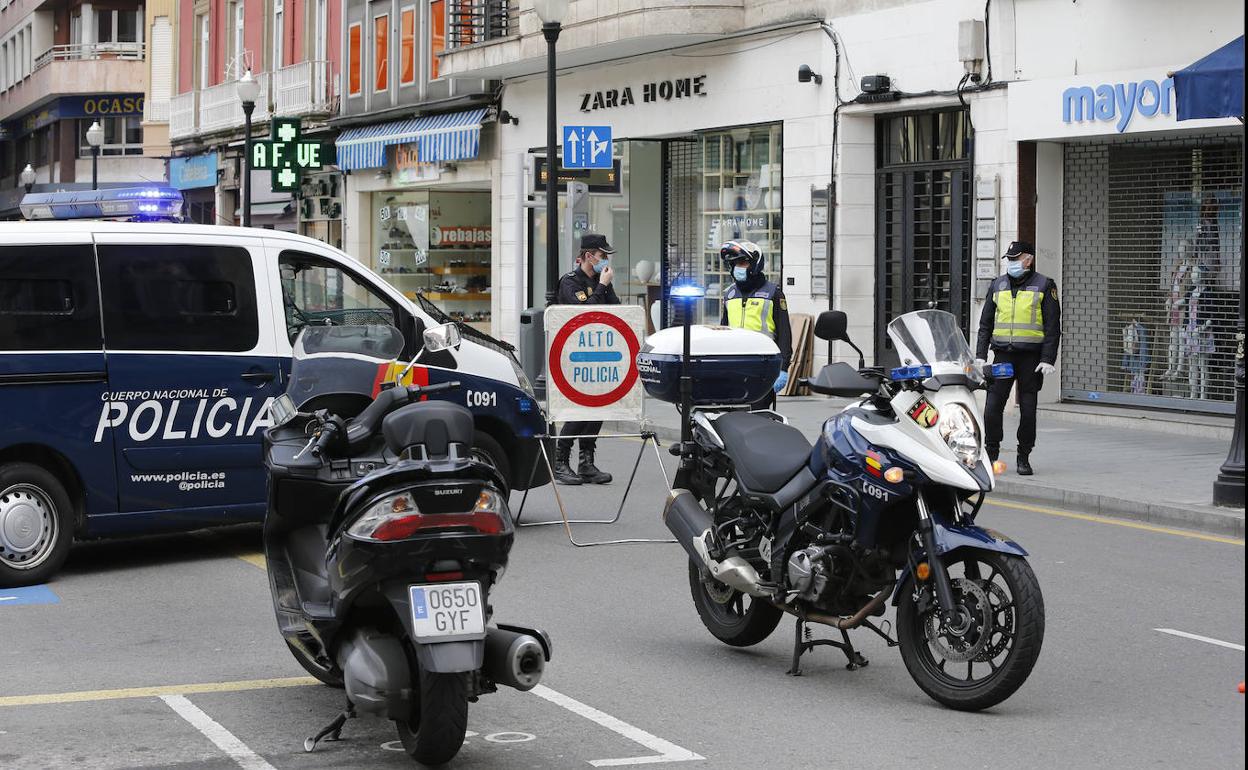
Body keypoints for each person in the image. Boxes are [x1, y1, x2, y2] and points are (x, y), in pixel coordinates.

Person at [975, 241, 1061, 476]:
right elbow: (985, 325)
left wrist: (1048, 359)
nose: (1012, 263)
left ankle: (1024, 456)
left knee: (1028, 410)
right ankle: (991, 455)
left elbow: (1053, 327)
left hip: (1031, 359)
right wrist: (980, 355)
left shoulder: (1045, 285)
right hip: (1003, 355)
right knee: (992, 408)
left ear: (1029, 259)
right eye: (1010, 259)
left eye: (1016, 258)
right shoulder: (997, 285)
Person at [550, 233, 620, 485]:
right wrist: (601, 286)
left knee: (598, 405)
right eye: (602, 256)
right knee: (579, 408)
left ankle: (586, 463)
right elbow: (586, 312)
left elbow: (616, 310)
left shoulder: (603, 281)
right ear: (589, 255)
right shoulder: (570, 282)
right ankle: (560, 462)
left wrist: (604, 287)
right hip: (574, 354)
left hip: (599, 353)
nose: (605, 261)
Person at [718, 240, 793, 411]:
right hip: (734, 367)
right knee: (731, 419)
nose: (738, 267)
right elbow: (722, 332)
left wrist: (783, 368)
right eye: (734, 263)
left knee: (758, 418)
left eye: (742, 262)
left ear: (755, 264)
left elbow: (785, 334)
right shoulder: (729, 294)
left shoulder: (773, 293)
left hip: (762, 368)